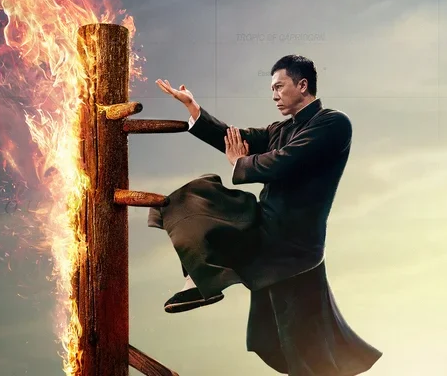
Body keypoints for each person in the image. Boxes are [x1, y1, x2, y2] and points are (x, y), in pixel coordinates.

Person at [152, 55, 382, 375]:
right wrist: (194, 110)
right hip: (264, 227)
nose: (274, 95)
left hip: (293, 246)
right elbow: (235, 139)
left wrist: (239, 163)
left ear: (303, 85)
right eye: (271, 88)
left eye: (279, 87)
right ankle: (199, 280)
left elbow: (286, 161)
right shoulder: (280, 129)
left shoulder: (333, 123)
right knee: (196, 195)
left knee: (303, 348)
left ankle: (202, 280)